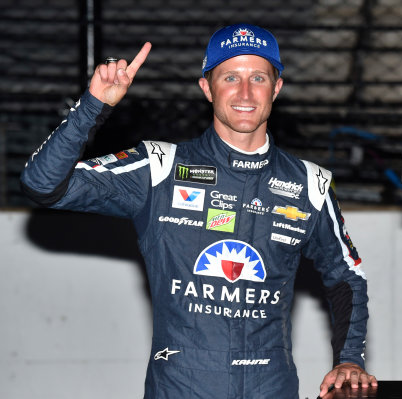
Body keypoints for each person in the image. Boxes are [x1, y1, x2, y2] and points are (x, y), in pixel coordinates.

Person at [21, 23, 377, 399]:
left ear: (276, 88)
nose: (244, 91)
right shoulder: (158, 167)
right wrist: (93, 106)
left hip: (271, 387)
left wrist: (349, 358)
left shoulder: (310, 183)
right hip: (181, 387)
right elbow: (42, 185)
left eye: (258, 77)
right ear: (207, 88)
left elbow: (346, 275)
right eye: (230, 77)